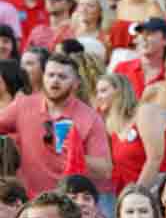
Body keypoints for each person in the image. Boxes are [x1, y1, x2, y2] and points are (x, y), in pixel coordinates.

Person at [0, 52, 110, 196]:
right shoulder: (23, 105)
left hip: (67, 202)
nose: (55, 81)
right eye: (50, 75)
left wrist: (75, 153)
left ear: (76, 83)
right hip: (28, 202)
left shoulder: (90, 118)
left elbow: (105, 171)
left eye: (62, 77)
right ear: (43, 77)